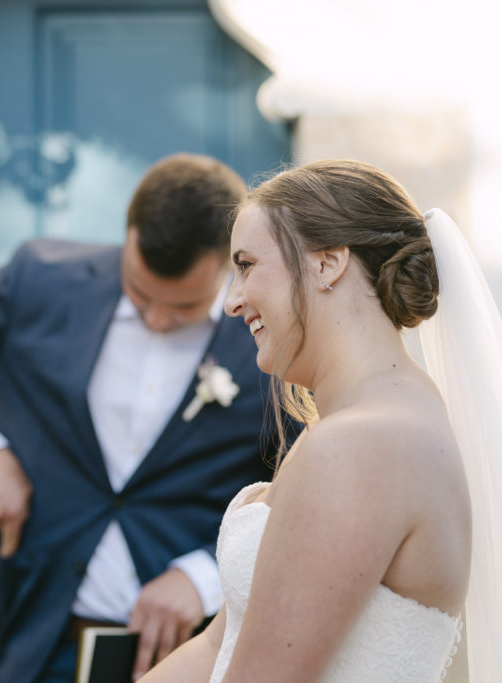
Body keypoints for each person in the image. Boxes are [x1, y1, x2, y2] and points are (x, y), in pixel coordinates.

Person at [0, 153, 279, 682]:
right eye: (141, 296)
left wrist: (207, 575)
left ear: (230, 263)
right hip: (43, 643)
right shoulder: (43, 279)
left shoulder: (270, 336)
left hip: (196, 653)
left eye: (183, 309)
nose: (158, 319)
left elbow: (301, 485)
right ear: (128, 235)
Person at [142, 159, 502, 682]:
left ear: (328, 264)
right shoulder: (369, 423)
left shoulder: (363, 445)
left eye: (246, 265)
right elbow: (220, 643)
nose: (232, 301)